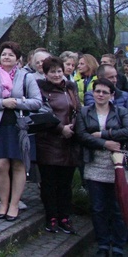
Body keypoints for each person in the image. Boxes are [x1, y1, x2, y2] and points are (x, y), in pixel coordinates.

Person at [0, 41, 42, 221]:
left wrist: (17, 102)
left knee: (18, 165)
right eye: (4, 54)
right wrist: (3, 103)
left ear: (17, 58)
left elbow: (37, 102)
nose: (6, 57)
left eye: (10, 54)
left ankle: (14, 204)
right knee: (1, 165)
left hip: (20, 126)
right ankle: (2, 202)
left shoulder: (27, 77)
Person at [75, 78, 128, 257]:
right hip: (93, 164)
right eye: (97, 91)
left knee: (117, 206)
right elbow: (81, 135)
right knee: (98, 207)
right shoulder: (84, 111)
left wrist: (104, 133)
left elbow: (127, 131)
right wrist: (106, 143)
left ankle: (119, 244)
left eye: (105, 92)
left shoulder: (120, 111)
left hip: (117, 165)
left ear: (112, 95)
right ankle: (103, 244)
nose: (100, 95)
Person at [36, 56, 81, 234]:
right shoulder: (40, 89)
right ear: (45, 73)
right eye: (52, 71)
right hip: (48, 141)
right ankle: (51, 216)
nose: (57, 75)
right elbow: (42, 113)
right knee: (49, 182)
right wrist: (60, 128)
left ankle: (64, 216)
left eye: (59, 71)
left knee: (65, 183)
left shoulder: (70, 87)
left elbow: (77, 108)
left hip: (68, 142)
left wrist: (73, 127)